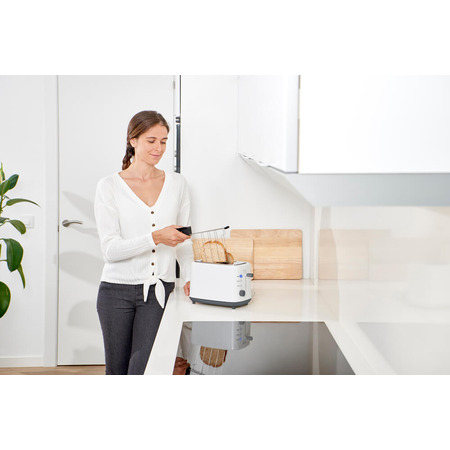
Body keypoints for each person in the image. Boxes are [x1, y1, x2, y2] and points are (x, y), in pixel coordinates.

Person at [94, 110, 192, 375]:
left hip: (159, 290)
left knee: (144, 370)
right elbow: (110, 250)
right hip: (116, 292)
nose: (158, 148)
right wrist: (155, 237)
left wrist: (191, 276)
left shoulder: (177, 183)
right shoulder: (109, 186)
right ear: (133, 140)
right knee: (117, 371)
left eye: (163, 141)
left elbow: (184, 239)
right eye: (151, 141)